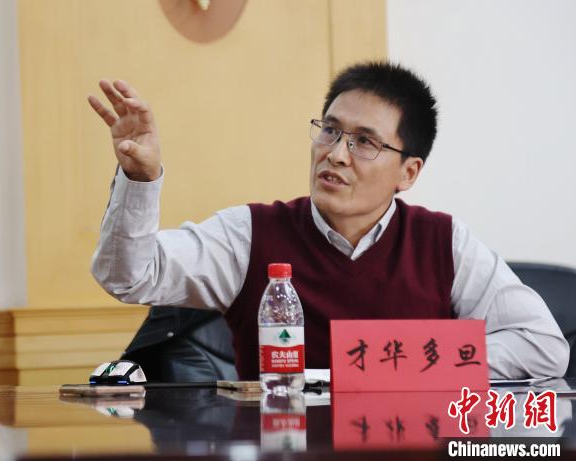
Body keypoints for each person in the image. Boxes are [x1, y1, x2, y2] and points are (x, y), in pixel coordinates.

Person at [88, 62, 569, 380]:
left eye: (364, 142)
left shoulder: (445, 243)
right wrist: (140, 178)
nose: (336, 154)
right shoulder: (250, 235)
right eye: (331, 131)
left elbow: (543, 345)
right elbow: (130, 276)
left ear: (408, 173)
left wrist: (406, 363)